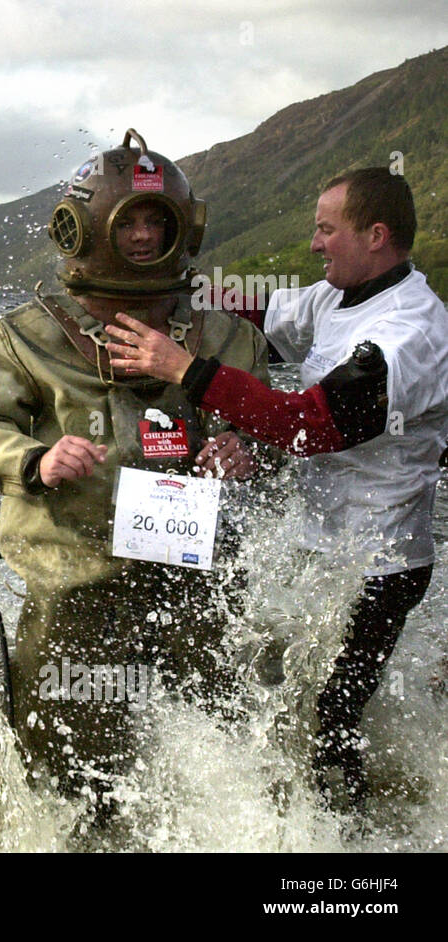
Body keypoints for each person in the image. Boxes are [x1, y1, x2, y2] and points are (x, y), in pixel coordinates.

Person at [0, 130, 272, 822]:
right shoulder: (26, 336)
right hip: (75, 575)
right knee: (65, 764)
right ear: (83, 229)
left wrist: (241, 448)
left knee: (204, 748)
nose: (147, 238)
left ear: (187, 229)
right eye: (132, 223)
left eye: (159, 222)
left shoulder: (224, 339)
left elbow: (267, 425)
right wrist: (35, 460)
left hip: (189, 576)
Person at [103, 167, 448, 811]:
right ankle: (283, 813)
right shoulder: (337, 296)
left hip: (378, 567)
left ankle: (344, 858)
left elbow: (311, 424)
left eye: (325, 229)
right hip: (317, 549)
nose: (314, 243)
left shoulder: (410, 336)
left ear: (375, 236)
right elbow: (251, 311)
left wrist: (186, 369)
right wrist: (159, 273)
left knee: (329, 728)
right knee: (272, 694)